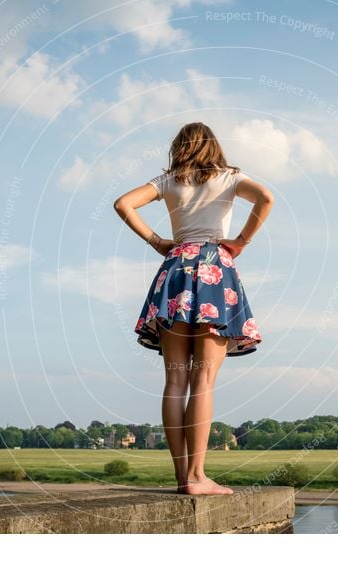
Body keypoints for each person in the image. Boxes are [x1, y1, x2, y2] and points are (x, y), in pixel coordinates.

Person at [113, 122, 274, 495]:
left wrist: (156, 241)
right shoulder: (230, 177)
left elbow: (123, 203)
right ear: (214, 147)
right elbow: (266, 197)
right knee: (203, 381)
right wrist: (242, 242)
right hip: (216, 271)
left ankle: (183, 476)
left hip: (175, 269)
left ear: (179, 148)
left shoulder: (168, 181)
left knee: (175, 381)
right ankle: (199, 477)